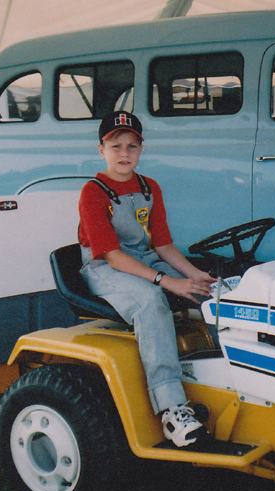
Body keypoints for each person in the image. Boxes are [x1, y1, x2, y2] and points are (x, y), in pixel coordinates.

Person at [78, 111, 216, 447]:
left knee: (213, 291)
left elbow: (163, 244)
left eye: (132, 146)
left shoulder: (148, 187)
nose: (124, 153)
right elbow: (113, 256)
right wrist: (168, 282)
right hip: (105, 267)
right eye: (115, 146)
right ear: (101, 150)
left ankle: (227, 378)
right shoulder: (93, 192)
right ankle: (171, 408)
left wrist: (196, 276)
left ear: (141, 149)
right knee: (151, 301)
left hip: (144, 259)